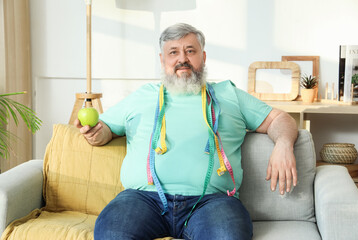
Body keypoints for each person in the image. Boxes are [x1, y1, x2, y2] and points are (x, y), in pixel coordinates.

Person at [75, 23, 298, 240]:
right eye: (174, 52)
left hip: (212, 202)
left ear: (204, 57)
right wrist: (94, 133)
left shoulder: (229, 94)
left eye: (190, 51)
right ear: (162, 60)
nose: (182, 59)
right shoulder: (142, 96)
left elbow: (279, 119)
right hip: (143, 199)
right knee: (112, 233)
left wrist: (283, 145)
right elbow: (105, 130)